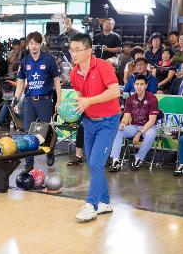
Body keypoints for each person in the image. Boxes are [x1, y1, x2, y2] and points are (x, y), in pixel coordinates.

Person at [69, 33, 121, 222]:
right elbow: (78, 95)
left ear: (89, 51)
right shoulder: (74, 73)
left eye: (77, 50)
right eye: (71, 50)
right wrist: (72, 109)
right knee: (93, 163)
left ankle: (91, 205)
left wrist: (89, 100)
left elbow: (115, 91)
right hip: (89, 121)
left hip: (108, 121)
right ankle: (105, 202)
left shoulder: (103, 66)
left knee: (96, 163)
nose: (73, 53)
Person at [13, 31, 61, 172]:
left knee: (46, 130)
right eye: (31, 44)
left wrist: (58, 100)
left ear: (41, 44)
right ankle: (29, 163)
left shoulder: (48, 59)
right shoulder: (25, 61)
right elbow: (21, 82)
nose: (34, 46)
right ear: (28, 45)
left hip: (45, 100)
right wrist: (16, 100)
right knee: (28, 132)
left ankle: (49, 150)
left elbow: (57, 81)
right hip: (29, 101)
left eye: (36, 43)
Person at [108, 75, 159, 172]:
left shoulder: (152, 98)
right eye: (137, 84)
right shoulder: (130, 99)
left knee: (151, 134)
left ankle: (138, 159)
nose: (139, 87)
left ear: (146, 85)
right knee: (118, 130)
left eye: (142, 84)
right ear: (134, 85)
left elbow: (152, 121)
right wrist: (123, 123)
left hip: (149, 127)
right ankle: (115, 160)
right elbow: (127, 115)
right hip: (134, 126)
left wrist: (139, 134)